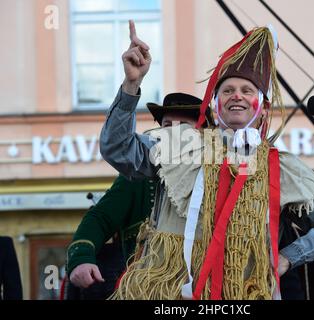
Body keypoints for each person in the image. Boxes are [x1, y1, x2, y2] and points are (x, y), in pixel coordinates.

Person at [99, 21, 314, 300]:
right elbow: (117, 148)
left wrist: (287, 258)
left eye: (247, 91)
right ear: (215, 104)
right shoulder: (180, 144)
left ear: (263, 109)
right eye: (227, 90)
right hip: (171, 295)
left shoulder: (281, 166)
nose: (237, 95)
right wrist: (131, 84)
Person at [66, 92, 214, 298]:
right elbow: (100, 217)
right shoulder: (141, 178)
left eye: (183, 127)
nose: (173, 133)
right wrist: (82, 257)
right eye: (167, 125)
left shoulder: (219, 175)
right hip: (148, 290)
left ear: (204, 133)